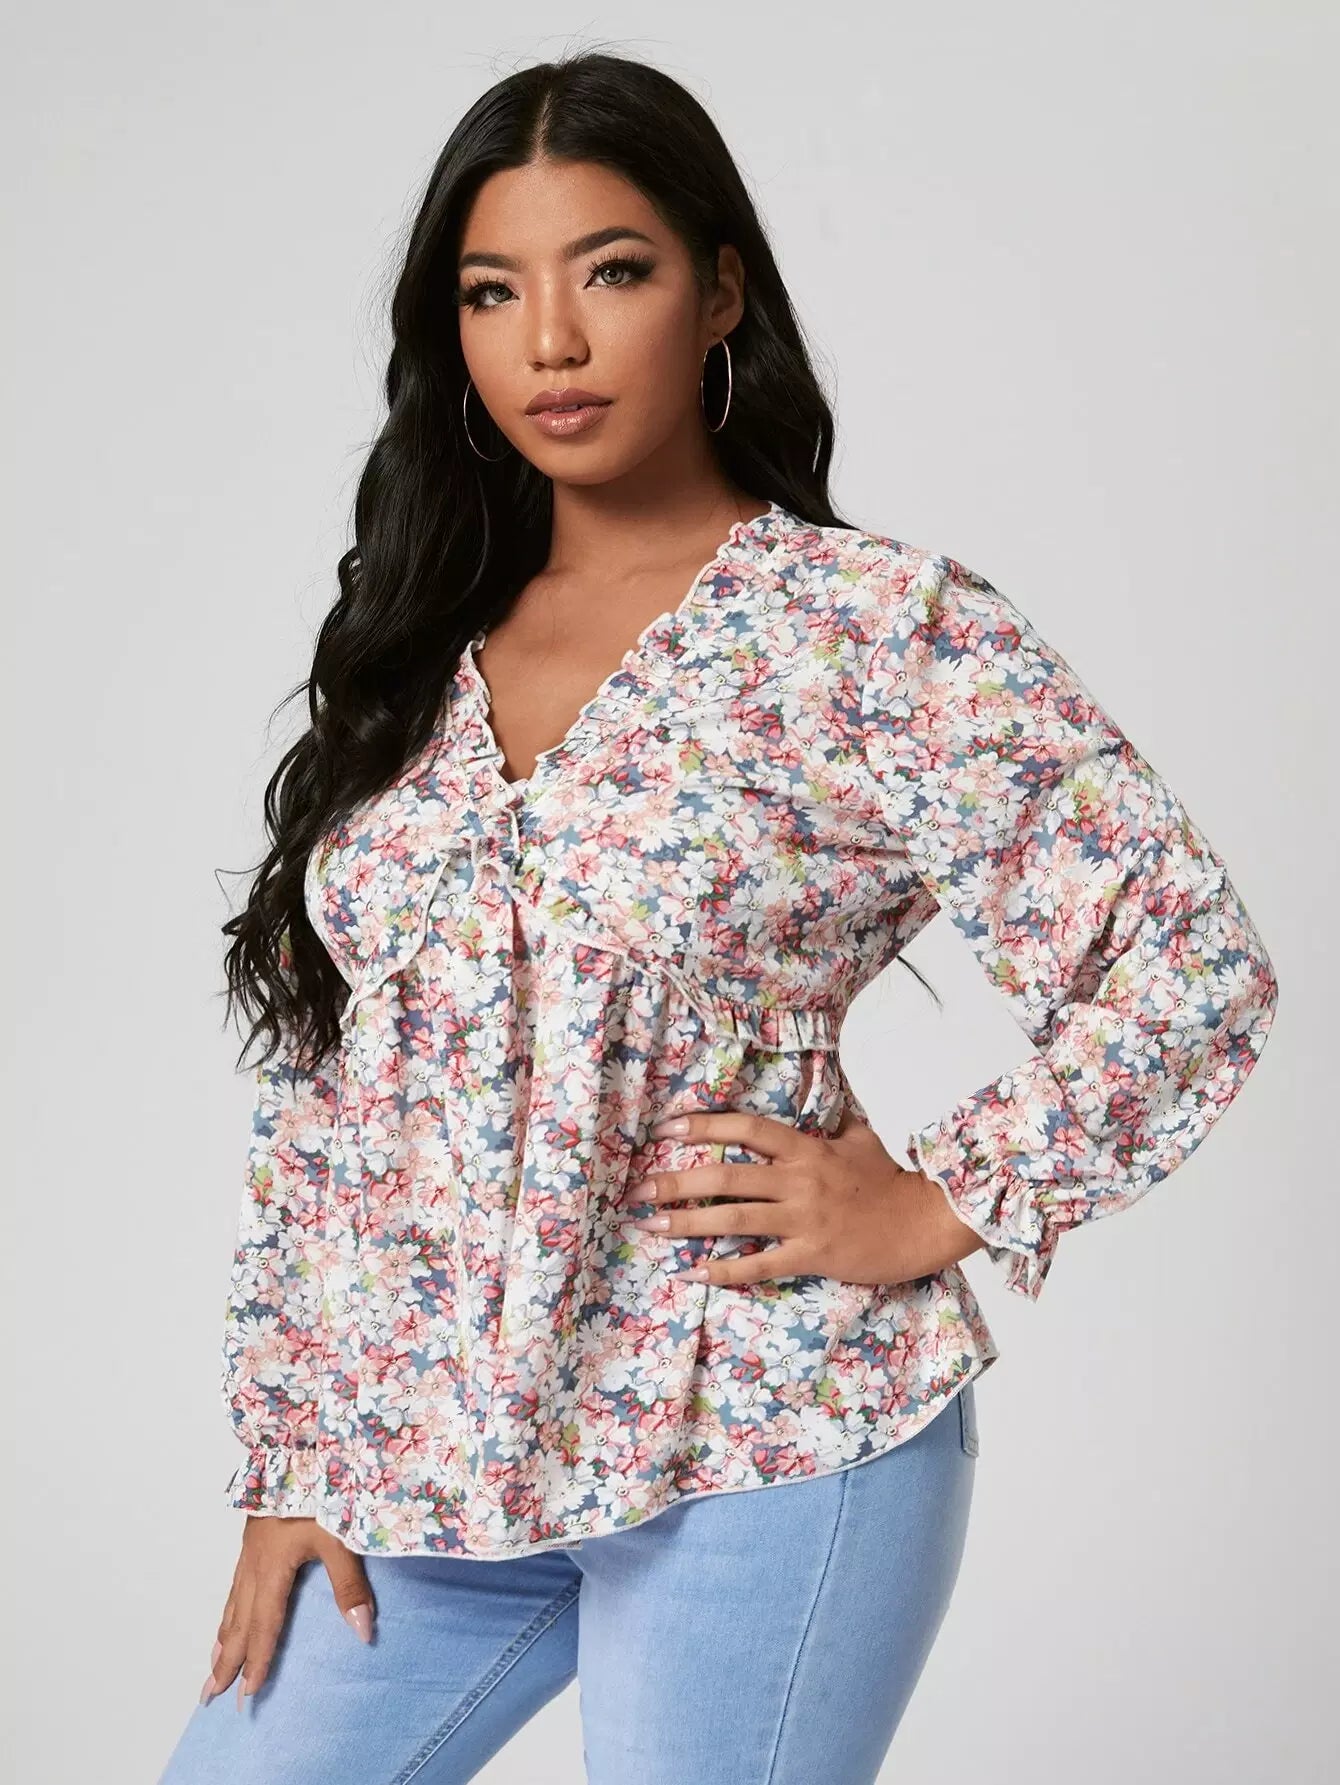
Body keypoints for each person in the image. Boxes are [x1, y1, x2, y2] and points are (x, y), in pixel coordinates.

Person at [158, 48, 1278, 1785]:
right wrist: (297, 1452)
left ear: (720, 292)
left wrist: (933, 1198)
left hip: (770, 1436)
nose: (551, 341)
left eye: (611, 270)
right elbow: (343, 1090)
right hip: (433, 1457)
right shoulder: (421, 641)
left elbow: (1187, 962)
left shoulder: (871, 630)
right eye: (491, 290)